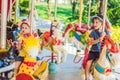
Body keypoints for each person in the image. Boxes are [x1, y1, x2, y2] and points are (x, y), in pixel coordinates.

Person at [85, 14, 110, 80]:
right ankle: (87, 77)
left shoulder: (106, 32)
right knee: (88, 63)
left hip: (103, 52)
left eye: (97, 22)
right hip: (94, 51)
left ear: (102, 23)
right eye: (94, 22)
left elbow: (109, 41)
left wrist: (105, 36)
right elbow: (91, 42)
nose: (94, 24)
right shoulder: (93, 32)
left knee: (110, 62)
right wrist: (99, 39)